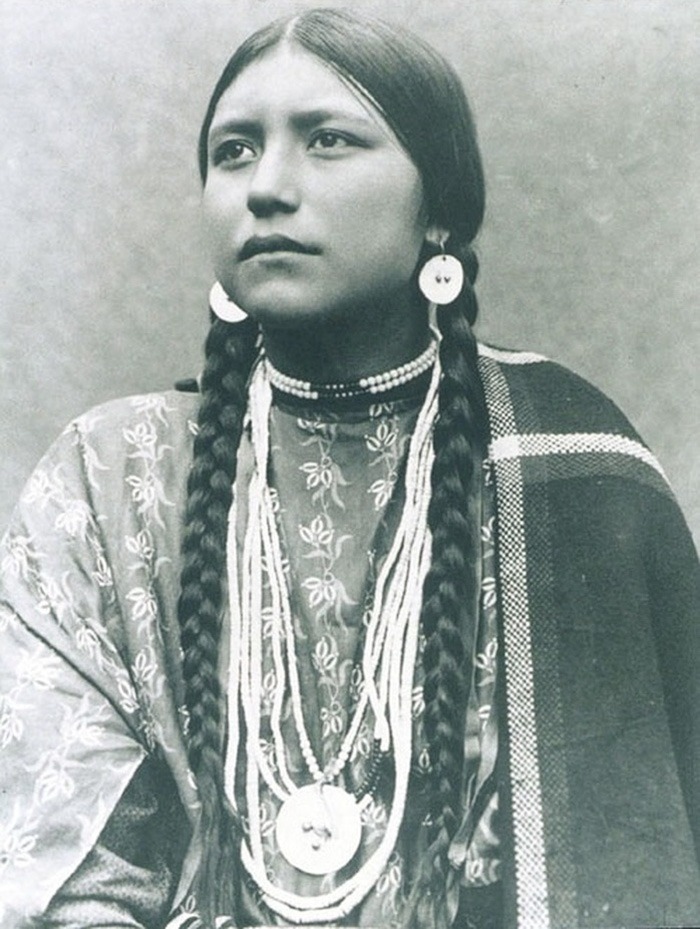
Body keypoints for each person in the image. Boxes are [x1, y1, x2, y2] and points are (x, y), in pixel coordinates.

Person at [0, 8, 698, 929]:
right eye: (235, 151)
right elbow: (69, 867)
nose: (267, 188)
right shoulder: (112, 475)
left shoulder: (571, 462)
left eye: (328, 140)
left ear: (438, 208)